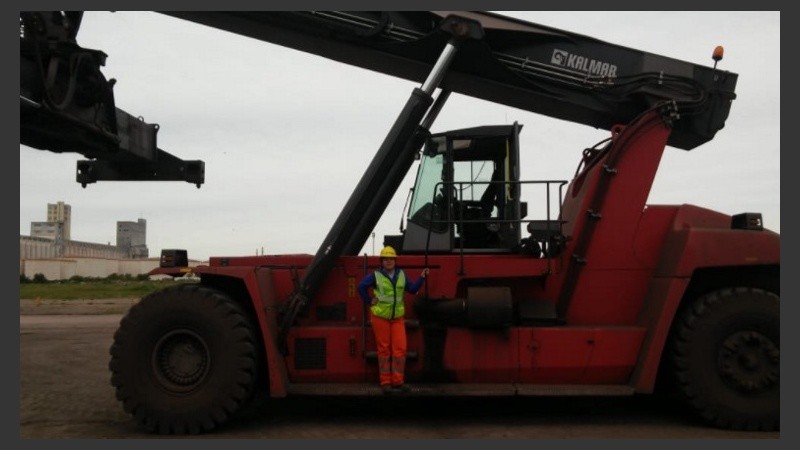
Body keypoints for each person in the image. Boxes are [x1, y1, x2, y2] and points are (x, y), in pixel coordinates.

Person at [358, 245, 429, 394]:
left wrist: (422, 277)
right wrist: (369, 300)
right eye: (386, 259)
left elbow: (412, 289)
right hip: (380, 317)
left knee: (400, 350)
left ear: (395, 261)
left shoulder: (402, 275)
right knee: (384, 350)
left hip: (397, 319)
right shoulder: (375, 275)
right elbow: (361, 287)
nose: (389, 261)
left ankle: (398, 382)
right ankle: (385, 383)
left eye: (391, 259)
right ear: (381, 261)